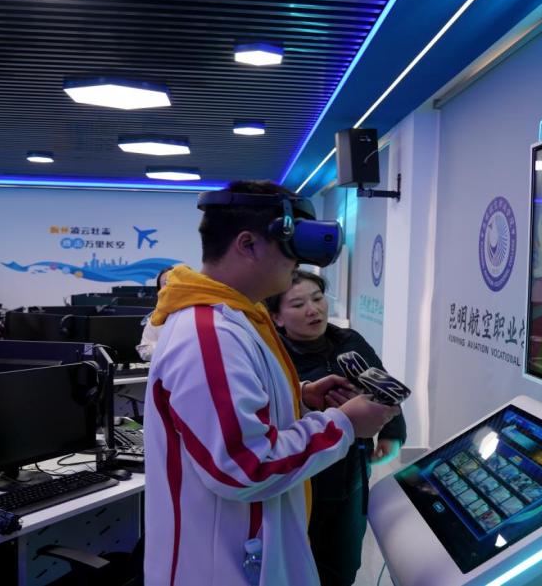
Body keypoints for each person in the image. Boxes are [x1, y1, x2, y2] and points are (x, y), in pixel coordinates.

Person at [143, 180, 399, 585]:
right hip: (222, 569)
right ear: (247, 244)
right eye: (289, 245)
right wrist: (346, 424)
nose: (297, 262)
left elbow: (230, 414)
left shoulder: (234, 319)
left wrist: (299, 399)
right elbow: (244, 466)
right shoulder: (209, 333)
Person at [267, 270, 407, 586]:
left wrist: (391, 433)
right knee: (301, 562)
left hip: (350, 470)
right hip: (301, 477)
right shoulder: (273, 356)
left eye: (318, 298)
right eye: (298, 304)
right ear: (276, 317)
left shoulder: (349, 341)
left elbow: (385, 386)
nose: (313, 310)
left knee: (343, 562)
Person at [136, 264, 176, 361]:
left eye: (173, 281)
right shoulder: (156, 318)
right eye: (165, 283)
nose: (169, 286)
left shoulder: (194, 313)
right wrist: (171, 347)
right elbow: (144, 352)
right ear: (159, 290)